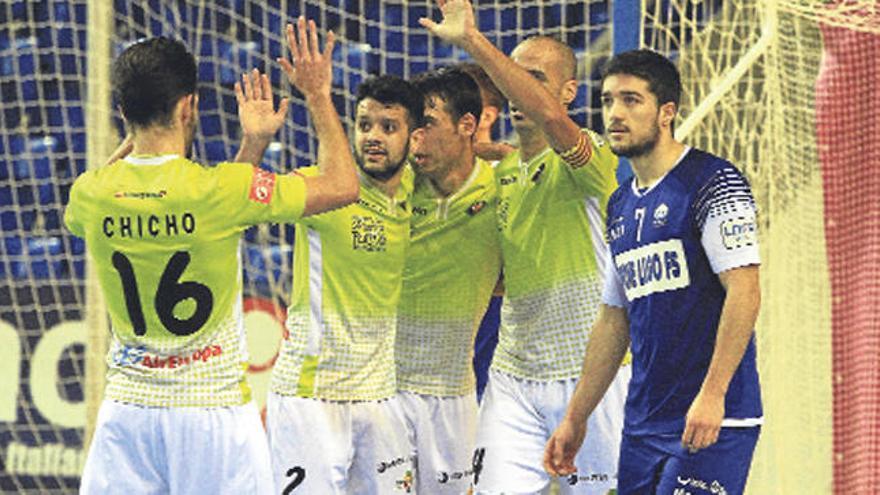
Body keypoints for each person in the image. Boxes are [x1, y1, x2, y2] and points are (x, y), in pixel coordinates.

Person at [67, 18, 359, 494]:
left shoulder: (90, 194)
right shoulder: (219, 189)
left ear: (123, 111)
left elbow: (159, 198)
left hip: (127, 415)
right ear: (190, 107)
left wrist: (249, 146)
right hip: (211, 414)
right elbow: (343, 186)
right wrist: (318, 93)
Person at [421, 2, 628, 493]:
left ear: (569, 91)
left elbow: (551, 118)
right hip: (514, 377)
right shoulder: (500, 177)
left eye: (532, 75)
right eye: (514, 74)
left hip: (591, 376)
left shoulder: (592, 157)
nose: (517, 86)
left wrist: (474, 41)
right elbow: (503, 279)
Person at [544, 49, 763, 495]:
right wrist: (575, 417)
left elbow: (745, 291)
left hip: (713, 417)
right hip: (642, 424)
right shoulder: (619, 204)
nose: (615, 114)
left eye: (631, 100)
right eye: (607, 101)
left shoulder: (714, 181)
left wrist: (714, 394)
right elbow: (613, 318)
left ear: (666, 112)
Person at [265, 72, 424, 494]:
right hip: (311, 398)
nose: (373, 137)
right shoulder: (318, 190)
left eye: (388, 128)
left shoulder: (417, 188)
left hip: (379, 397)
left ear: (413, 137)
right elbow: (236, 201)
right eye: (364, 124)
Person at [396, 66, 501, 494]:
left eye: (427, 124)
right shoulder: (394, 185)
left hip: (456, 397)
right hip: (388, 391)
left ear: (468, 125)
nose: (414, 137)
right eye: (411, 125)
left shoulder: (503, 188)